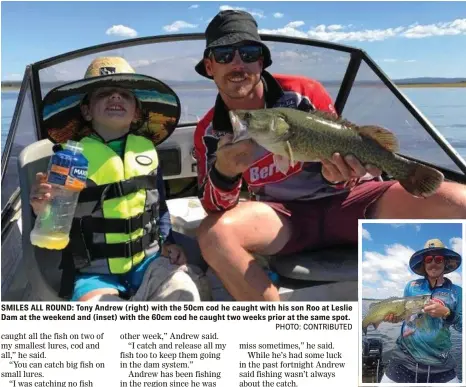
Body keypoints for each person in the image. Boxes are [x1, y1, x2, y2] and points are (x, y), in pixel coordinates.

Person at [193, 10, 466, 301]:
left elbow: (342, 145)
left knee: (458, 201)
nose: (238, 64)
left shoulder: (302, 93)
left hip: (347, 202)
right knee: (214, 234)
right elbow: (213, 206)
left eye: (248, 53)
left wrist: (341, 178)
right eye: (224, 55)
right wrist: (225, 172)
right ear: (210, 66)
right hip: (282, 217)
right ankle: (276, 337)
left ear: (260, 61)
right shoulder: (209, 131)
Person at [31, 56, 208, 302]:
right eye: (105, 93)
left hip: (148, 262)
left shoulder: (147, 151)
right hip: (94, 274)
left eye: (124, 95)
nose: (115, 97)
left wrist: (168, 241)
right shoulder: (70, 159)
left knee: (183, 290)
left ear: (136, 113)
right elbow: (54, 218)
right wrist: (43, 208)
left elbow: (159, 207)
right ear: (86, 110)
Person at [379, 238, 462, 383]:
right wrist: (394, 317)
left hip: (441, 364)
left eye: (438, 259)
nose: (433, 263)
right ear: (424, 264)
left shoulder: (457, 292)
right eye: (429, 259)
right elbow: (404, 315)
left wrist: (447, 313)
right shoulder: (411, 286)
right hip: (404, 358)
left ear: (445, 262)